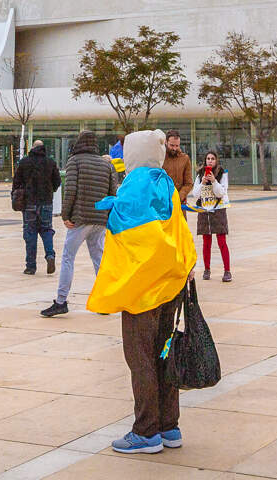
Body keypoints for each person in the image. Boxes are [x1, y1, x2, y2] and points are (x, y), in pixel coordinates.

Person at [91, 130, 195, 455]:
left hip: (143, 290)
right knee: (165, 355)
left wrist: (114, 204)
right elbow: (175, 230)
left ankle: (146, 431)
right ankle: (169, 426)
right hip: (170, 285)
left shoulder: (134, 185)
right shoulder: (165, 182)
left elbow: (137, 240)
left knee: (141, 359)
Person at [42, 130, 116, 317]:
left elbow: (70, 189)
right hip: (100, 219)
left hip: (81, 218)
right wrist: (106, 216)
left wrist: (66, 214)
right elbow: (112, 194)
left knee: (68, 257)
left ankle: (61, 301)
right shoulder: (105, 164)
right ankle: (106, 300)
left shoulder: (75, 161)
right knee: (98, 259)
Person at [12, 139, 62, 276]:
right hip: (46, 202)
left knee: (30, 233)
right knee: (46, 230)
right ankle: (50, 255)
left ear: (32, 148)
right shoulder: (50, 162)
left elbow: (16, 182)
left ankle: (30, 266)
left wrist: (16, 196)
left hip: (29, 203)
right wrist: (49, 189)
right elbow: (57, 181)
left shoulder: (24, 162)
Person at [189, 151, 231, 281]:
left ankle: (227, 271)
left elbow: (221, 193)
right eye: (208, 158)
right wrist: (202, 182)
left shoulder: (222, 173)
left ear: (216, 160)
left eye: (213, 158)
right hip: (204, 210)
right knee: (206, 242)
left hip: (218, 209)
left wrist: (214, 181)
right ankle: (207, 270)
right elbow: (195, 194)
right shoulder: (199, 174)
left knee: (221, 241)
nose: (210, 161)